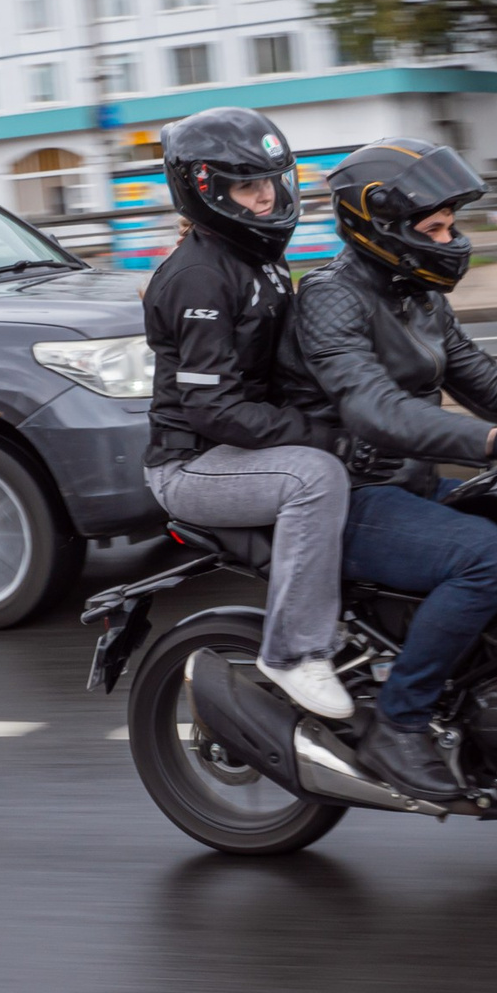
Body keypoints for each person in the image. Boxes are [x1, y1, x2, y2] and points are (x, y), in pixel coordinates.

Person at [285, 139, 497, 800]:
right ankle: (399, 723)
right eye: (436, 227)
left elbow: (490, 383)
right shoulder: (330, 298)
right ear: (383, 227)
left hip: (414, 484)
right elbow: (375, 409)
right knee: (486, 557)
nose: (451, 239)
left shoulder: (420, 295)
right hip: (352, 497)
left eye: (451, 225)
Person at [141, 107, 353, 722]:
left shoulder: (256, 258)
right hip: (193, 465)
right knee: (317, 477)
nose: (267, 196)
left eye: (271, 181)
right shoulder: (201, 278)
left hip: (240, 448)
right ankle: (293, 652)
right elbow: (212, 409)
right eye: (247, 186)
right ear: (206, 190)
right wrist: (320, 436)